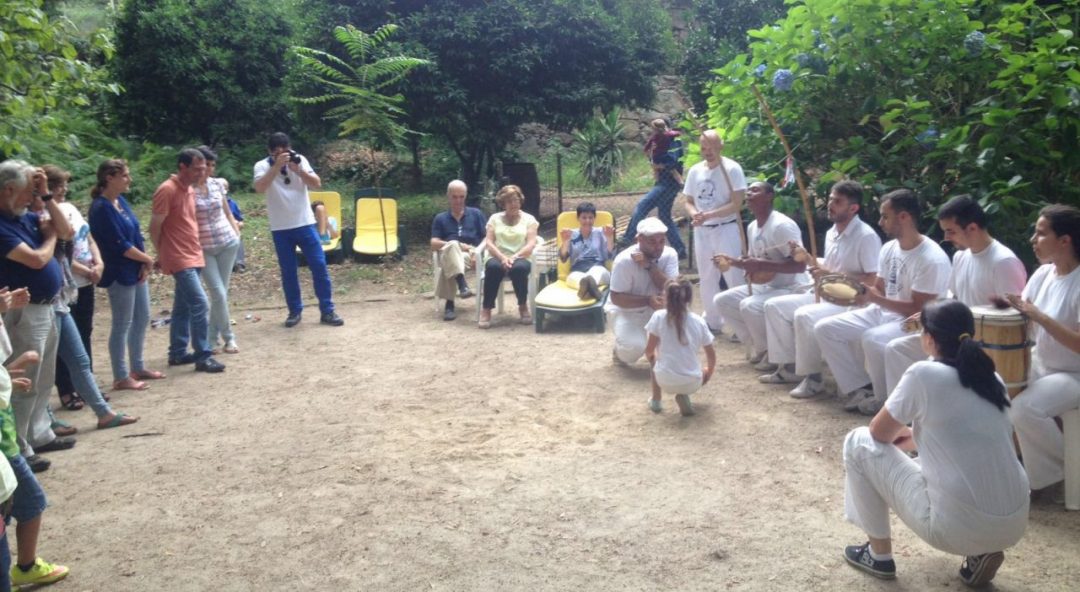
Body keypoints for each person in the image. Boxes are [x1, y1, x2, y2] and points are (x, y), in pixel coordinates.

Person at [841, 300, 1028, 587]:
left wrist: (902, 437)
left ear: (928, 338)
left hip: (954, 529)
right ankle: (980, 552)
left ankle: (878, 557)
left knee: (858, 442)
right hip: (1015, 524)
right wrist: (916, 436)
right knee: (953, 472)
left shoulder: (923, 374)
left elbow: (878, 433)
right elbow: (974, 434)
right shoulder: (992, 378)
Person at [815, 189, 951, 415]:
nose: (880, 222)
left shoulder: (931, 258)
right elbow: (878, 288)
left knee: (873, 338)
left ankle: (886, 402)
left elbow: (920, 309)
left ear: (904, 217)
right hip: (882, 311)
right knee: (826, 328)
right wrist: (851, 292)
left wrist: (875, 298)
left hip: (915, 321)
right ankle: (860, 389)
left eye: (885, 216)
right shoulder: (889, 248)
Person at [883, 195, 1027, 394]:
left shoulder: (1003, 262)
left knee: (926, 370)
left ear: (973, 228)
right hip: (955, 337)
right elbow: (955, 298)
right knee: (896, 349)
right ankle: (901, 416)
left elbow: (1014, 318)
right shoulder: (960, 256)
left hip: (985, 345)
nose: (946, 238)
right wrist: (931, 316)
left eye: (950, 231)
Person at [26, 181, 138, 431]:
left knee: (79, 359)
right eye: (38, 195)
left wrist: (46, 199)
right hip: (39, 304)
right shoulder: (23, 222)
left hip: (60, 299)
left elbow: (68, 233)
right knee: (42, 369)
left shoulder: (48, 216)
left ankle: (103, 412)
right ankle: (44, 423)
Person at [759, 181, 881, 395]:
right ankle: (789, 367)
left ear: (853, 208)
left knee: (804, 315)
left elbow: (873, 279)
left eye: (838, 201)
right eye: (831, 199)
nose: (831, 204)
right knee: (774, 306)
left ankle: (813, 378)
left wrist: (832, 276)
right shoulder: (832, 231)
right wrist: (807, 258)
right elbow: (829, 269)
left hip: (854, 301)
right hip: (828, 294)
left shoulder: (866, 236)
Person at [0, 160, 75, 470]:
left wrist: (46, 196)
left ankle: (40, 433)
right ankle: (19, 448)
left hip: (46, 306)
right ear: (7, 190)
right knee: (24, 381)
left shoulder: (23, 216)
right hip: (23, 313)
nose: (31, 200)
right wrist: (51, 238)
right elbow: (36, 259)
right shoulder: (3, 225)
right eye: (26, 193)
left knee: (44, 378)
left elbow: (67, 229)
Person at [1007, 204, 1080, 500]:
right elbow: (1024, 314)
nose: (1033, 240)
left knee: (1025, 408)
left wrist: (1041, 318)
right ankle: (1019, 467)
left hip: (1073, 373)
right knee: (996, 390)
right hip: (1042, 363)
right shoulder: (1042, 274)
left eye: (1040, 234)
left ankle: (1059, 474)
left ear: (1065, 240)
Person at [0, 292, 70, 587]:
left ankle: (25, 566)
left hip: (6, 443)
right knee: (30, 502)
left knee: (26, 503)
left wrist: (6, 375)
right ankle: (25, 567)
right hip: (4, 446)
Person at [88, 159, 166, 391]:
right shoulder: (101, 208)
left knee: (142, 317)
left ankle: (138, 365)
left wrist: (144, 262)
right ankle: (120, 376)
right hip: (118, 271)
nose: (129, 180)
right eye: (124, 176)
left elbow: (135, 234)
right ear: (109, 178)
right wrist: (147, 259)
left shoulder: (120, 201)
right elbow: (118, 244)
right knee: (122, 322)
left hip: (135, 268)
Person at [713, 181, 808, 368]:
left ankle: (778, 357)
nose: (748, 194)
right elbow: (754, 261)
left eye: (755, 190)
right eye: (747, 190)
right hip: (768, 286)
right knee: (722, 300)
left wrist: (760, 264)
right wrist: (732, 261)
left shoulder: (782, 226)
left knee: (749, 306)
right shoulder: (752, 227)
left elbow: (800, 266)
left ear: (769, 196)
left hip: (794, 286)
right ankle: (763, 348)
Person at [253, 132, 344, 328]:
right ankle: (294, 312)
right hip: (280, 227)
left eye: (285, 150)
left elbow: (317, 184)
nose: (282, 155)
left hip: (305, 223)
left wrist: (298, 170)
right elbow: (259, 188)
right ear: (270, 152)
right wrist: (276, 167)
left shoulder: (299, 160)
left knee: (319, 266)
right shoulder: (261, 166)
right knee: (288, 272)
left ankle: (327, 311)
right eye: (277, 152)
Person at [149, 149, 225, 373]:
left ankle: (178, 353)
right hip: (178, 256)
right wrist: (162, 254)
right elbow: (155, 227)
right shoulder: (167, 190)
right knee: (200, 303)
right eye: (196, 169)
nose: (201, 173)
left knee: (182, 306)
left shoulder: (190, 189)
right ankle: (204, 355)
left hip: (193, 253)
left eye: (204, 168)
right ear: (182, 167)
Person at [41, 165, 103, 411]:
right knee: (62, 342)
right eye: (57, 186)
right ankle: (67, 390)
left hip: (85, 282)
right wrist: (85, 270)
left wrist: (98, 262)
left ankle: (88, 386)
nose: (63, 189)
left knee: (83, 333)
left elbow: (87, 237)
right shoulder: (42, 215)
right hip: (67, 283)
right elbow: (61, 251)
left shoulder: (69, 209)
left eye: (64, 184)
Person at [682, 130, 747, 333]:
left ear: (721, 146)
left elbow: (737, 203)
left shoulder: (732, 169)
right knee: (707, 276)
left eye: (711, 146)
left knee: (733, 275)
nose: (707, 151)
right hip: (703, 230)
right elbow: (688, 201)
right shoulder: (695, 171)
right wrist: (695, 215)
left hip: (725, 228)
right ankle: (712, 321)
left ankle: (741, 325)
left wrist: (710, 215)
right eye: (703, 147)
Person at [607, 217, 680, 365]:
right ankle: (619, 352)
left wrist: (649, 266)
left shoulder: (670, 254)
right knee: (634, 348)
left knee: (678, 343)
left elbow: (672, 288)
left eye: (661, 241)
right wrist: (647, 300)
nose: (658, 247)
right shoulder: (624, 260)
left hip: (658, 310)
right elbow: (616, 298)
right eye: (652, 242)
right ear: (638, 239)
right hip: (626, 312)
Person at [193, 146, 242, 355]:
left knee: (220, 294)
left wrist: (236, 234)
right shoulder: (187, 189)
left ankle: (212, 339)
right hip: (203, 247)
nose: (209, 169)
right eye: (205, 165)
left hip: (227, 243)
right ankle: (229, 337)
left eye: (212, 165)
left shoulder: (217, 185)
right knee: (218, 293)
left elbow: (227, 212)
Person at [645, 278, 715, 416]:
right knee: (704, 369)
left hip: (664, 380)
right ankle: (684, 395)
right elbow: (711, 356)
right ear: (689, 298)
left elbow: (649, 351)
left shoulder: (658, 317)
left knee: (654, 359)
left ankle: (656, 401)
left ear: (665, 296)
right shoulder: (699, 321)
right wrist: (707, 374)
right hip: (693, 381)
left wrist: (654, 359)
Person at [620, 124, 688, 260]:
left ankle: (628, 238)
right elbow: (651, 154)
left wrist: (658, 166)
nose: (656, 132)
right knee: (665, 216)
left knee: (642, 206)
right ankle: (680, 250)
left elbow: (673, 161)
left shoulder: (674, 140)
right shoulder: (659, 140)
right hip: (664, 181)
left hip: (668, 183)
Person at [479, 185, 538, 328]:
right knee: (493, 268)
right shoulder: (494, 218)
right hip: (497, 255)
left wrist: (514, 257)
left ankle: (523, 306)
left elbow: (531, 243)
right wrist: (502, 258)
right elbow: (489, 242)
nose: (514, 204)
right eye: (510, 201)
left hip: (522, 256)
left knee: (519, 269)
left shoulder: (529, 219)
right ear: (503, 203)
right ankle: (486, 309)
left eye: (516, 200)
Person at [430, 180, 486, 321]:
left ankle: (450, 305)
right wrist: (458, 245)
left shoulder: (476, 214)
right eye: (454, 197)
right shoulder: (440, 218)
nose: (458, 200)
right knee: (452, 246)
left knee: (449, 262)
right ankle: (462, 283)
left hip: (471, 255)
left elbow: (488, 238)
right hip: (449, 253)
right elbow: (433, 243)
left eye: (461, 196)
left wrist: (477, 251)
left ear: (465, 196)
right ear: (448, 196)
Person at [558, 202, 615, 301]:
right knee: (572, 277)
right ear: (578, 218)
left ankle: (586, 286)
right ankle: (591, 289)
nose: (587, 221)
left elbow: (610, 255)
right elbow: (563, 258)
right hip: (578, 270)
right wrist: (565, 241)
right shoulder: (571, 234)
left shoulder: (601, 232)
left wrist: (610, 237)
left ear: (594, 218)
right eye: (584, 217)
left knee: (597, 272)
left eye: (590, 217)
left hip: (598, 268)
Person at [643, 118, 684, 186]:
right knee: (673, 170)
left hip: (656, 156)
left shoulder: (654, 137)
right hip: (666, 155)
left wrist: (647, 154)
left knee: (655, 170)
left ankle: (657, 181)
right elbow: (677, 133)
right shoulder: (668, 134)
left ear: (654, 129)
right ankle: (681, 182)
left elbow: (646, 147)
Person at [227, 195, 247, 273]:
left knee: (238, 237)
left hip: (232, 229)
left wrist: (239, 224)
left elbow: (241, 220)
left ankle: (239, 264)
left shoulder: (232, 203)